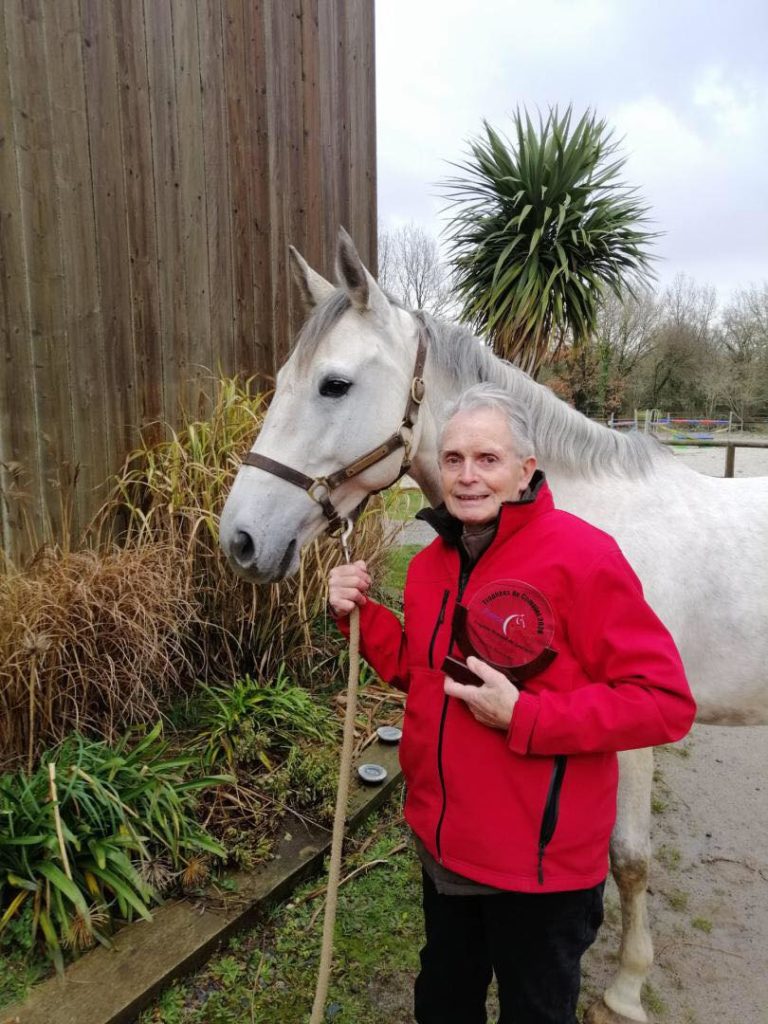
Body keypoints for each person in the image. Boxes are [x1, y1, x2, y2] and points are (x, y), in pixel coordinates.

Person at [328, 383, 695, 1024]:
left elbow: (664, 704)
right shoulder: (429, 565)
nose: (467, 477)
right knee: (443, 1004)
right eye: (453, 460)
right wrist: (357, 616)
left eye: (488, 459)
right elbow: (423, 673)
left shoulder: (584, 557)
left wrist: (527, 717)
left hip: (540, 872)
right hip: (443, 848)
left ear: (527, 469)